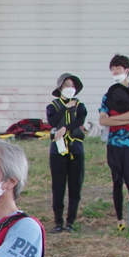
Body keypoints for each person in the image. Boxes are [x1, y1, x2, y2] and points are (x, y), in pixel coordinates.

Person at [98, 56, 129, 230]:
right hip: (114, 143)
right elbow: (102, 120)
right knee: (117, 181)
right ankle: (120, 220)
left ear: (127, 70)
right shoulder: (109, 94)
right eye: (112, 69)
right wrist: (123, 121)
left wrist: (114, 120)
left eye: (118, 68)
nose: (114, 72)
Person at [46, 73, 86, 233]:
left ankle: (71, 221)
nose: (70, 89)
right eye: (66, 85)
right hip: (58, 151)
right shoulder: (53, 106)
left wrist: (65, 128)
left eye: (72, 86)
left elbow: (80, 121)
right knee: (58, 186)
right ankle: (58, 221)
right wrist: (65, 108)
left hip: (76, 150)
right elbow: (53, 122)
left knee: (75, 186)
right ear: (60, 87)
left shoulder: (80, 105)